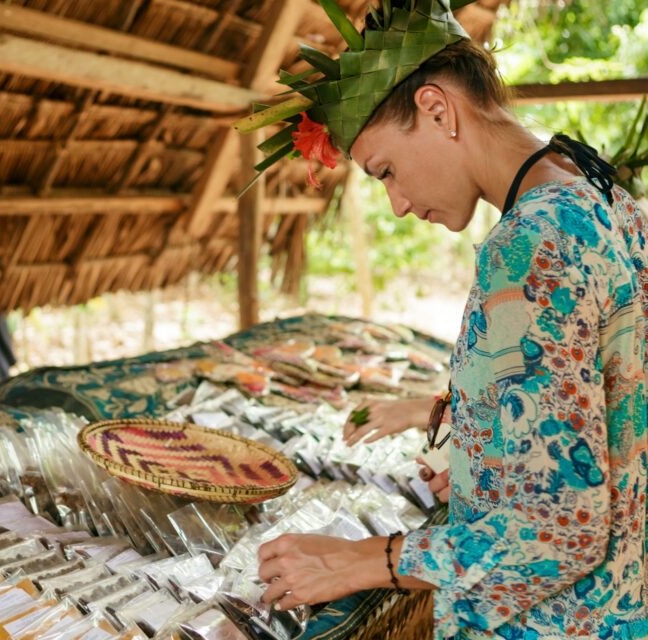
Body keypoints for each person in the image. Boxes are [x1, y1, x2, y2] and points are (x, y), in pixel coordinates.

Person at [234, 0, 648, 638]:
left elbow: (560, 533)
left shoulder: (526, 245)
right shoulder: (601, 192)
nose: (397, 204)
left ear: (436, 109)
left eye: (387, 171)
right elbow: (612, 398)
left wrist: (364, 560)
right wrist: (487, 465)